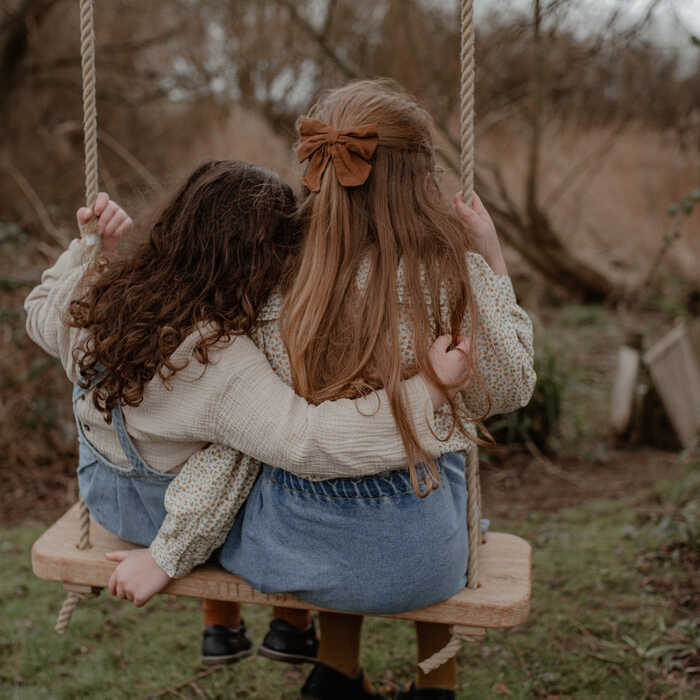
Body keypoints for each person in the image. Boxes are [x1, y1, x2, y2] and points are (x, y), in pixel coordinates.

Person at [108, 80, 536, 700]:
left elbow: (240, 436)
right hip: (418, 563)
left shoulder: (273, 273)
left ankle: (335, 670)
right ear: (421, 179)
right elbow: (511, 385)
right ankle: (435, 682)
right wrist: (490, 257)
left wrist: (171, 548)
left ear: (314, 167)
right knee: (438, 461)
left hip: (285, 551)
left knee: (313, 459)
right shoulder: (450, 272)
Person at [24, 160, 473, 672]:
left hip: (102, 495)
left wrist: (89, 251)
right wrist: (429, 390)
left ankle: (235, 626)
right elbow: (308, 441)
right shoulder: (218, 360)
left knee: (238, 441)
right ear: (264, 264)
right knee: (260, 455)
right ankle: (292, 622)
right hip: (162, 516)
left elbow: (40, 309)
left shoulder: (99, 297)